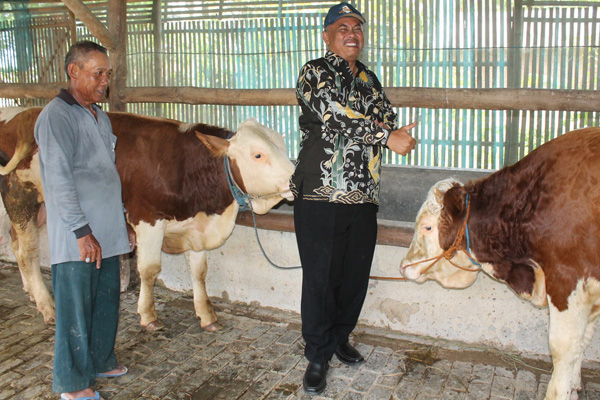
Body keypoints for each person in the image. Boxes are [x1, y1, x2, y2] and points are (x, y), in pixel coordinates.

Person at [290, 2, 417, 394]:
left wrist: (384, 129)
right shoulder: (314, 72)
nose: (352, 33)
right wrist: (382, 134)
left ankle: (340, 337)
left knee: (353, 276)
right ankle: (316, 354)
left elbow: (385, 117)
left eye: (357, 28)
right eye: (342, 27)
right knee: (320, 278)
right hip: (320, 194)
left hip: (363, 196)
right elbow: (334, 114)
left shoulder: (370, 79)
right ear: (326, 35)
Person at [34, 41, 136, 400]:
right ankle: (74, 385)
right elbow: (59, 179)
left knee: (107, 299)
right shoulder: (55, 117)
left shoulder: (98, 115)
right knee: (75, 308)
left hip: (106, 227)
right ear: (73, 71)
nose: (105, 81)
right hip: (78, 234)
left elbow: (107, 173)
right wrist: (81, 231)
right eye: (98, 73)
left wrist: (121, 219)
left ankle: (100, 360)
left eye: (107, 74)